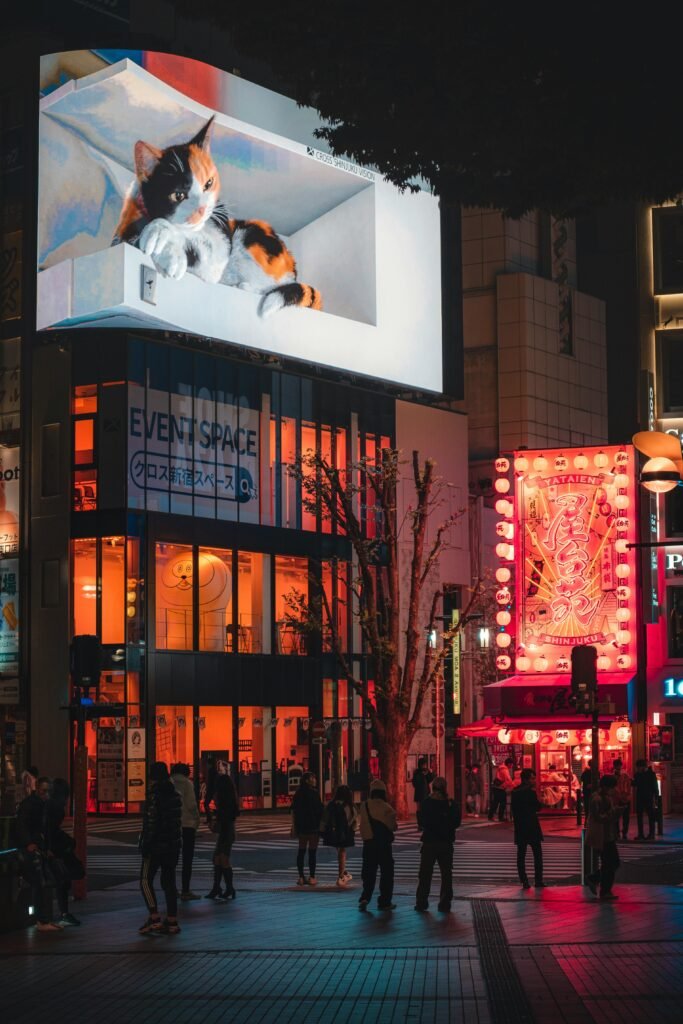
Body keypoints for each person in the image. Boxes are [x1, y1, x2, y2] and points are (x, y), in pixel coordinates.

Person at [139, 761, 182, 935]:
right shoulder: (175, 795)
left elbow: (151, 823)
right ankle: (172, 921)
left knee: (144, 880)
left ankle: (154, 917)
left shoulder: (154, 796)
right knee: (169, 883)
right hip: (172, 845)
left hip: (156, 845)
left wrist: (146, 845)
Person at [16, 776, 62, 932]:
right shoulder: (33, 805)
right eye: (44, 791)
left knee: (42, 882)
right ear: (37, 789)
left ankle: (42, 919)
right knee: (41, 882)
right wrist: (29, 843)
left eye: (48, 791)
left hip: (36, 847)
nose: (46, 794)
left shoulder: (38, 804)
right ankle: (42, 919)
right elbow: (23, 824)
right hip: (33, 848)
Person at [414, 776, 461, 912]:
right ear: (445, 788)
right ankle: (445, 903)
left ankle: (422, 902)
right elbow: (456, 822)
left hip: (429, 842)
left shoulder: (427, 802)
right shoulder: (450, 804)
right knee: (446, 874)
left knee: (425, 874)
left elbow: (422, 821)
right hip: (445, 843)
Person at [46, 777, 84, 927]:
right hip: (54, 849)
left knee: (59, 880)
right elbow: (51, 830)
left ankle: (58, 914)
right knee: (61, 880)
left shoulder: (49, 805)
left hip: (51, 847)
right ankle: (62, 913)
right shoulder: (56, 809)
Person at [358, 780, 398, 911]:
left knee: (369, 872)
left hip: (368, 844)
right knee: (386, 873)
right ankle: (384, 901)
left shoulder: (364, 806)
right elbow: (393, 826)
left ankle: (365, 897)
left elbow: (363, 826)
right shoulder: (387, 808)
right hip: (383, 845)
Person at [585, 775, 621, 899]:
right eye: (612, 787)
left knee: (613, 862)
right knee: (609, 863)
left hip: (609, 834)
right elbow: (599, 817)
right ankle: (605, 890)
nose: (613, 790)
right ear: (606, 786)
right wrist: (615, 812)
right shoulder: (597, 799)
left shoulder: (606, 797)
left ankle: (596, 879)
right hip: (602, 836)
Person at [205, 773, 240, 900]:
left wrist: (212, 825)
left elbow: (221, 824)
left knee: (222, 859)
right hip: (228, 832)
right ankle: (223, 888)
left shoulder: (223, 802)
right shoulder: (231, 800)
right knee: (218, 858)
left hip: (225, 833)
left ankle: (225, 888)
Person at [171, 762, 201, 900]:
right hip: (188, 825)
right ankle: (185, 890)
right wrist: (197, 818)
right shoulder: (188, 784)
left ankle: (172, 889)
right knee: (187, 859)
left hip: (173, 825)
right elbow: (191, 805)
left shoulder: (169, 783)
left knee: (172, 859)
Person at [511, 768, 544, 889]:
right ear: (526, 779)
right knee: (537, 855)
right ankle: (538, 880)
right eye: (532, 778)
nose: (534, 780)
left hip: (520, 826)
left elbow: (514, 811)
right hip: (532, 825)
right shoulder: (530, 792)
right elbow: (538, 807)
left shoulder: (515, 792)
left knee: (521, 855)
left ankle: (524, 880)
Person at [291, 770, 324, 886]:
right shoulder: (315, 794)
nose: (314, 780)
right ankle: (312, 876)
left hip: (302, 827)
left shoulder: (298, 794)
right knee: (312, 852)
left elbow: (294, 810)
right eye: (312, 778)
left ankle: (301, 876)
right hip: (313, 827)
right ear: (307, 781)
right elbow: (320, 810)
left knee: (301, 851)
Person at [321, 784, 357, 887]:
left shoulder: (331, 804)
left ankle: (343, 872)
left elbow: (325, 818)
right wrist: (352, 830)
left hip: (333, 832)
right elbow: (354, 820)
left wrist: (322, 830)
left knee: (340, 851)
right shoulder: (349, 806)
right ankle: (341, 876)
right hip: (345, 832)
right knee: (342, 851)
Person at [633, 759, 659, 841]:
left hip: (648, 797)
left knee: (650, 816)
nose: (637, 769)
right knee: (639, 816)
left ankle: (651, 834)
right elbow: (635, 784)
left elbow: (655, 786)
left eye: (638, 767)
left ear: (642, 767)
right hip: (640, 797)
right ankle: (641, 834)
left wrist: (656, 796)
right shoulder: (637, 774)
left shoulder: (651, 774)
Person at [612, 759, 632, 841]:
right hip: (617, 799)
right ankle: (618, 833)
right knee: (617, 817)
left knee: (625, 817)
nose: (618, 767)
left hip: (624, 798)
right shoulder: (613, 776)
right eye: (617, 766)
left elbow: (629, 786)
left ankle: (624, 833)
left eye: (619, 766)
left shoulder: (625, 775)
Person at [411, 757, 434, 823]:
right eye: (423, 764)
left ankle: (425, 822)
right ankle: (420, 823)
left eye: (425, 764)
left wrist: (427, 774)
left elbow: (430, 779)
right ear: (420, 765)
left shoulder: (427, 771)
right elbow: (414, 783)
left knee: (426, 808)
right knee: (419, 809)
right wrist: (421, 775)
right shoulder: (417, 772)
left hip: (426, 792)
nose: (424, 766)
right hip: (419, 792)